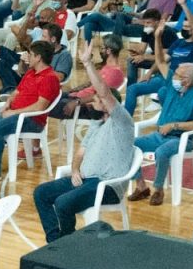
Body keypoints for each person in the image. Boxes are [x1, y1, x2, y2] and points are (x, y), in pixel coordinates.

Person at [33, 40, 135, 242]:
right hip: (84, 180)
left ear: (107, 104)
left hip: (106, 185)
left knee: (62, 203)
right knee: (41, 193)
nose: (93, 100)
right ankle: (55, 243)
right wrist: (75, 169)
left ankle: (68, 246)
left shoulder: (122, 122)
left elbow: (104, 91)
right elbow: (80, 153)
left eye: (96, 99)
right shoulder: (96, 124)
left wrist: (88, 63)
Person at [127, 27, 193, 206]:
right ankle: (141, 186)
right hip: (159, 135)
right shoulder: (172, 86)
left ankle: (158, 189)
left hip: (181, 140)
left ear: (186, 80)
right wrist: (157, 37)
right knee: (129, 144)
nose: (174, 76)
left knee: (161, 152)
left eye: (178, 75)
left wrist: (174, 126)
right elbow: (160, 60)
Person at [0, 40, 61, 182]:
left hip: (32, 120)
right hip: (14, 112)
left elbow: (40, 107)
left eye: (30, 54)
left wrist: (13, 113)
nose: (27, 56)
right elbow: (16, 92)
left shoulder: (50, 78)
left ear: (38, 57)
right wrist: (7, 104)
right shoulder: (31, 73)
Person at [125, 0, 193, 116]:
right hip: (166, 76)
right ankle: (125, 123)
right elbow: (161, 60)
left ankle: (172, 116)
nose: (185, 29)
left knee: (163, 92)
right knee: (132, 89)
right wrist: (157, 37)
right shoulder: (178, 43)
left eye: (188, 27)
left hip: (183, 81)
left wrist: (184, 5)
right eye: (183, 26)